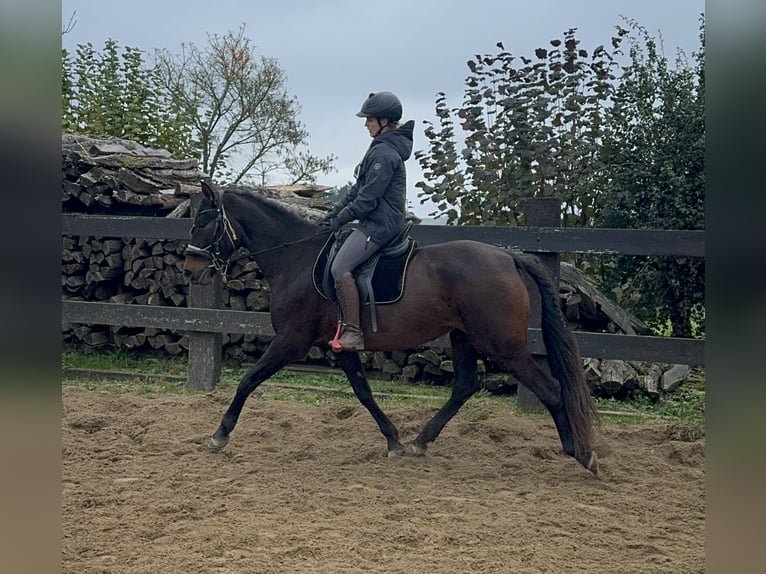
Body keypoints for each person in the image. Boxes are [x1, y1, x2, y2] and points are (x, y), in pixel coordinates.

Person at [321, 91, 415, 351]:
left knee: (340, 267)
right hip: (375, 221)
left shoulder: (384, 154)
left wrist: (340, 220)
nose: (366, 124)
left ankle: (354, 332)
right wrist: (334, 212)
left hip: (380, 225)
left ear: (384, 121)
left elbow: (368, 200)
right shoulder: (379, 149)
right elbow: (356, 191)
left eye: (370, 119)